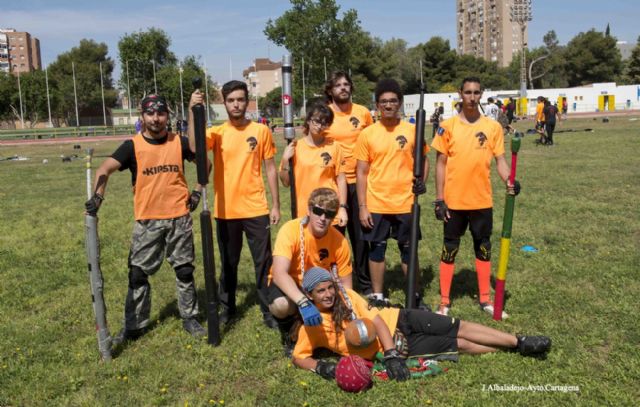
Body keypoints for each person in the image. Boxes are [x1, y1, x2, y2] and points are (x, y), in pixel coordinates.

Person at [85, 94, 207, 343]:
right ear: (142, 116)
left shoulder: (178, 142)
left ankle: (189, 317)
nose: (156, 119)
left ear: (167, 116)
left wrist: (196, 191)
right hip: (147, 220)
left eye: (160, 114)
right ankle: (135, 325)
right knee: (138, 274)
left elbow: (205, 162)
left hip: (179, 218)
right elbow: (104, 170)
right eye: (150, 114)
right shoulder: (132, 145)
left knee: (184, 270)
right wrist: (98, 197)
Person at [292, 267, 552, 380]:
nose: (327, 295)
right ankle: (510, 349)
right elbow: (299, 357)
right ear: (310, 295)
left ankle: (519, 341)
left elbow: (378, 320)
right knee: (458, 344)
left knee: (457, 326)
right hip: (404, 346)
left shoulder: (348, 296)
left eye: (329, 288)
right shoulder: (311, 326)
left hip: (402, 318)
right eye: (320, 291)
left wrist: (391, 354)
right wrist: (321, 367)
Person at [188, 80, 281, 329]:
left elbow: (270, 168)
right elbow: (194, 147)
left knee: (264, 263)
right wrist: (191, 111)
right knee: (229, 262)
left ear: (247, 101)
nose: (236, 104)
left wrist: (275, 205)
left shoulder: (261, 131)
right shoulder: (218, 133)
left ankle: (268, 310)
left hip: (256, 208)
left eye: (240, 99)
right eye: (231, 100)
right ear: (224, 102)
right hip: (226, 210)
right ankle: (227, 308)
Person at [431, 77, 520, 318]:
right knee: (450, 248)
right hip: (454, 202)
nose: (472, 97)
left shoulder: (492, 127)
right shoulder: (446, 126)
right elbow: (440, 163)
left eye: (476, 93)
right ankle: (444, 302)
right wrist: (439, 198)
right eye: (468, 92)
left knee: (483, 247)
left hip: (482, 201)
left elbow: (500, 161)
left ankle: (484, 299)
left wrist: (509, 181)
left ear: (481, 94)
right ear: (460, 93)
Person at [354, 79, 429, 308]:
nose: (388, 105)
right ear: (377, 105)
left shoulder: (412, 130)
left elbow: (423, 159)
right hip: (377, 203)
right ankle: (378, 296)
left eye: (393, 101)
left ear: (400, 103)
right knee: (376, 250)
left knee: (409, 251)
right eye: (384, 101)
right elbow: (361, 172)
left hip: (406, 203)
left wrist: (422, 183)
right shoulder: (367, 134)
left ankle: (413, 296)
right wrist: (363, 206)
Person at [268, 188, 353, 356]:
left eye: (329, 214)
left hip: (320, 289)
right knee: (281, 305)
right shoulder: (290, 230)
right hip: (292, 286)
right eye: (318, 211)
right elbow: (279, 273)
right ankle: (289, 332)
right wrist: (303, 302)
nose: (322, 218)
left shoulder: (340, 242)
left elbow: (347, 288)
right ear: (308, 210)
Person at [324, 71, 374, 295]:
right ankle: (333, 282)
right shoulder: (325, 114)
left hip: (361, 183)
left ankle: (364, 283)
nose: (342, 88)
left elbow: (373, 141)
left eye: (346, 84)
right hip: (334, 184)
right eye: (337, 85)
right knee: (335, 236)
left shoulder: (363, 112)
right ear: (330, 90)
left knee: (361, 237)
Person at [279, 103, 348, 229]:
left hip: (329, 211)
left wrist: (342, 208)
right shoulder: (296, 147)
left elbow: (341, 179)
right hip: (304, 211)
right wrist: (284, 160)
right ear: (308, 120)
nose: (319, 126)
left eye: (325, 123)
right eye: (316, 121)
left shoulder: (335, 147)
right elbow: (286, 182)